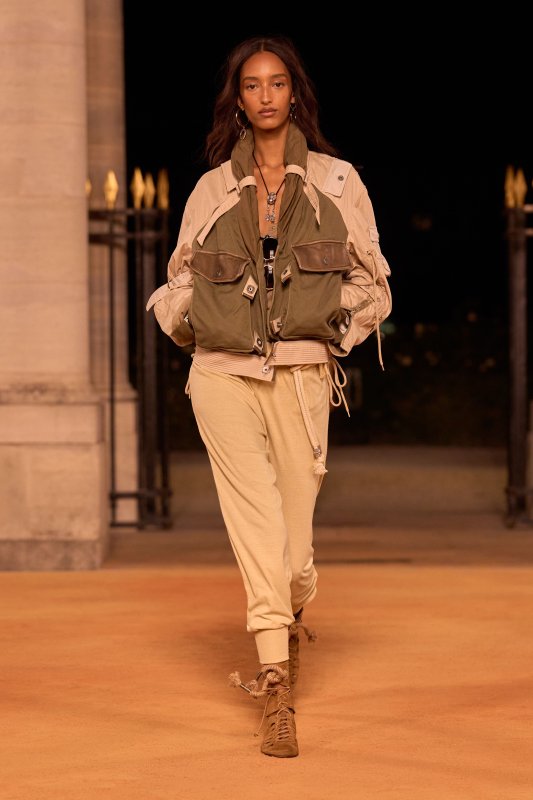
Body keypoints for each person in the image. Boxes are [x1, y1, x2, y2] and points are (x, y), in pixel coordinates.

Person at [147, 34, 392, 759]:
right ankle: (275, 684)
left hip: (302, 376)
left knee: (294, 556)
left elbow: (373, 283)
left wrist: (333, 325)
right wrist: (194, 325)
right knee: (255, 525)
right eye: (251, 84)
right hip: (222, 377)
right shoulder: (211, 190)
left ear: (294, 93)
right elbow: (177, 281)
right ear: (237, 98)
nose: (264, 95)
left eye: (276, 83)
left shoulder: (338, 184)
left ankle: (289, 611)